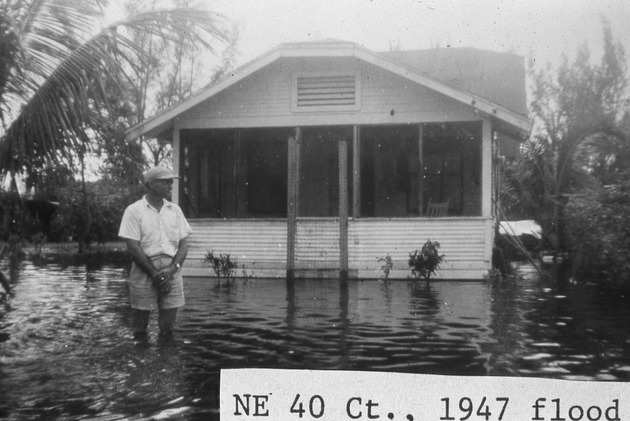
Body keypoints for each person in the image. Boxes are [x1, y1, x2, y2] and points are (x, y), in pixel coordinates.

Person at [118, 166, 192, 344]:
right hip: (144, 271)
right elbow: (133, 247)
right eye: (165, 182)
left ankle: (165, 365)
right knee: (140, 328)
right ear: (150, 184)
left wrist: (171, 270)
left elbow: (183, 245)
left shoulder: (175, 210)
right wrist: (155, 275)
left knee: (168, 329)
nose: (170, 185)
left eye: (171, 182)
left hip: (171, 272)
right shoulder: (134, 210)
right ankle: (141, 367)